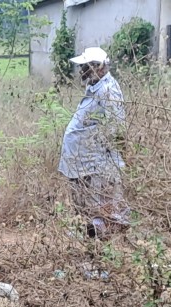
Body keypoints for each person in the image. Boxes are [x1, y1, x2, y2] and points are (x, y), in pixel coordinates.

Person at [59, 47, 130, 238]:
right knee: (85, 201)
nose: (82, 71)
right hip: (83, 160)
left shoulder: (108, 90)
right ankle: (89, 234)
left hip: (96, 160)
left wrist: (114, 158)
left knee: (102, 203)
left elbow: (116, 127)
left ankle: (102, 240)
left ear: (99, 67)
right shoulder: (94, 86)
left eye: (86, 67)